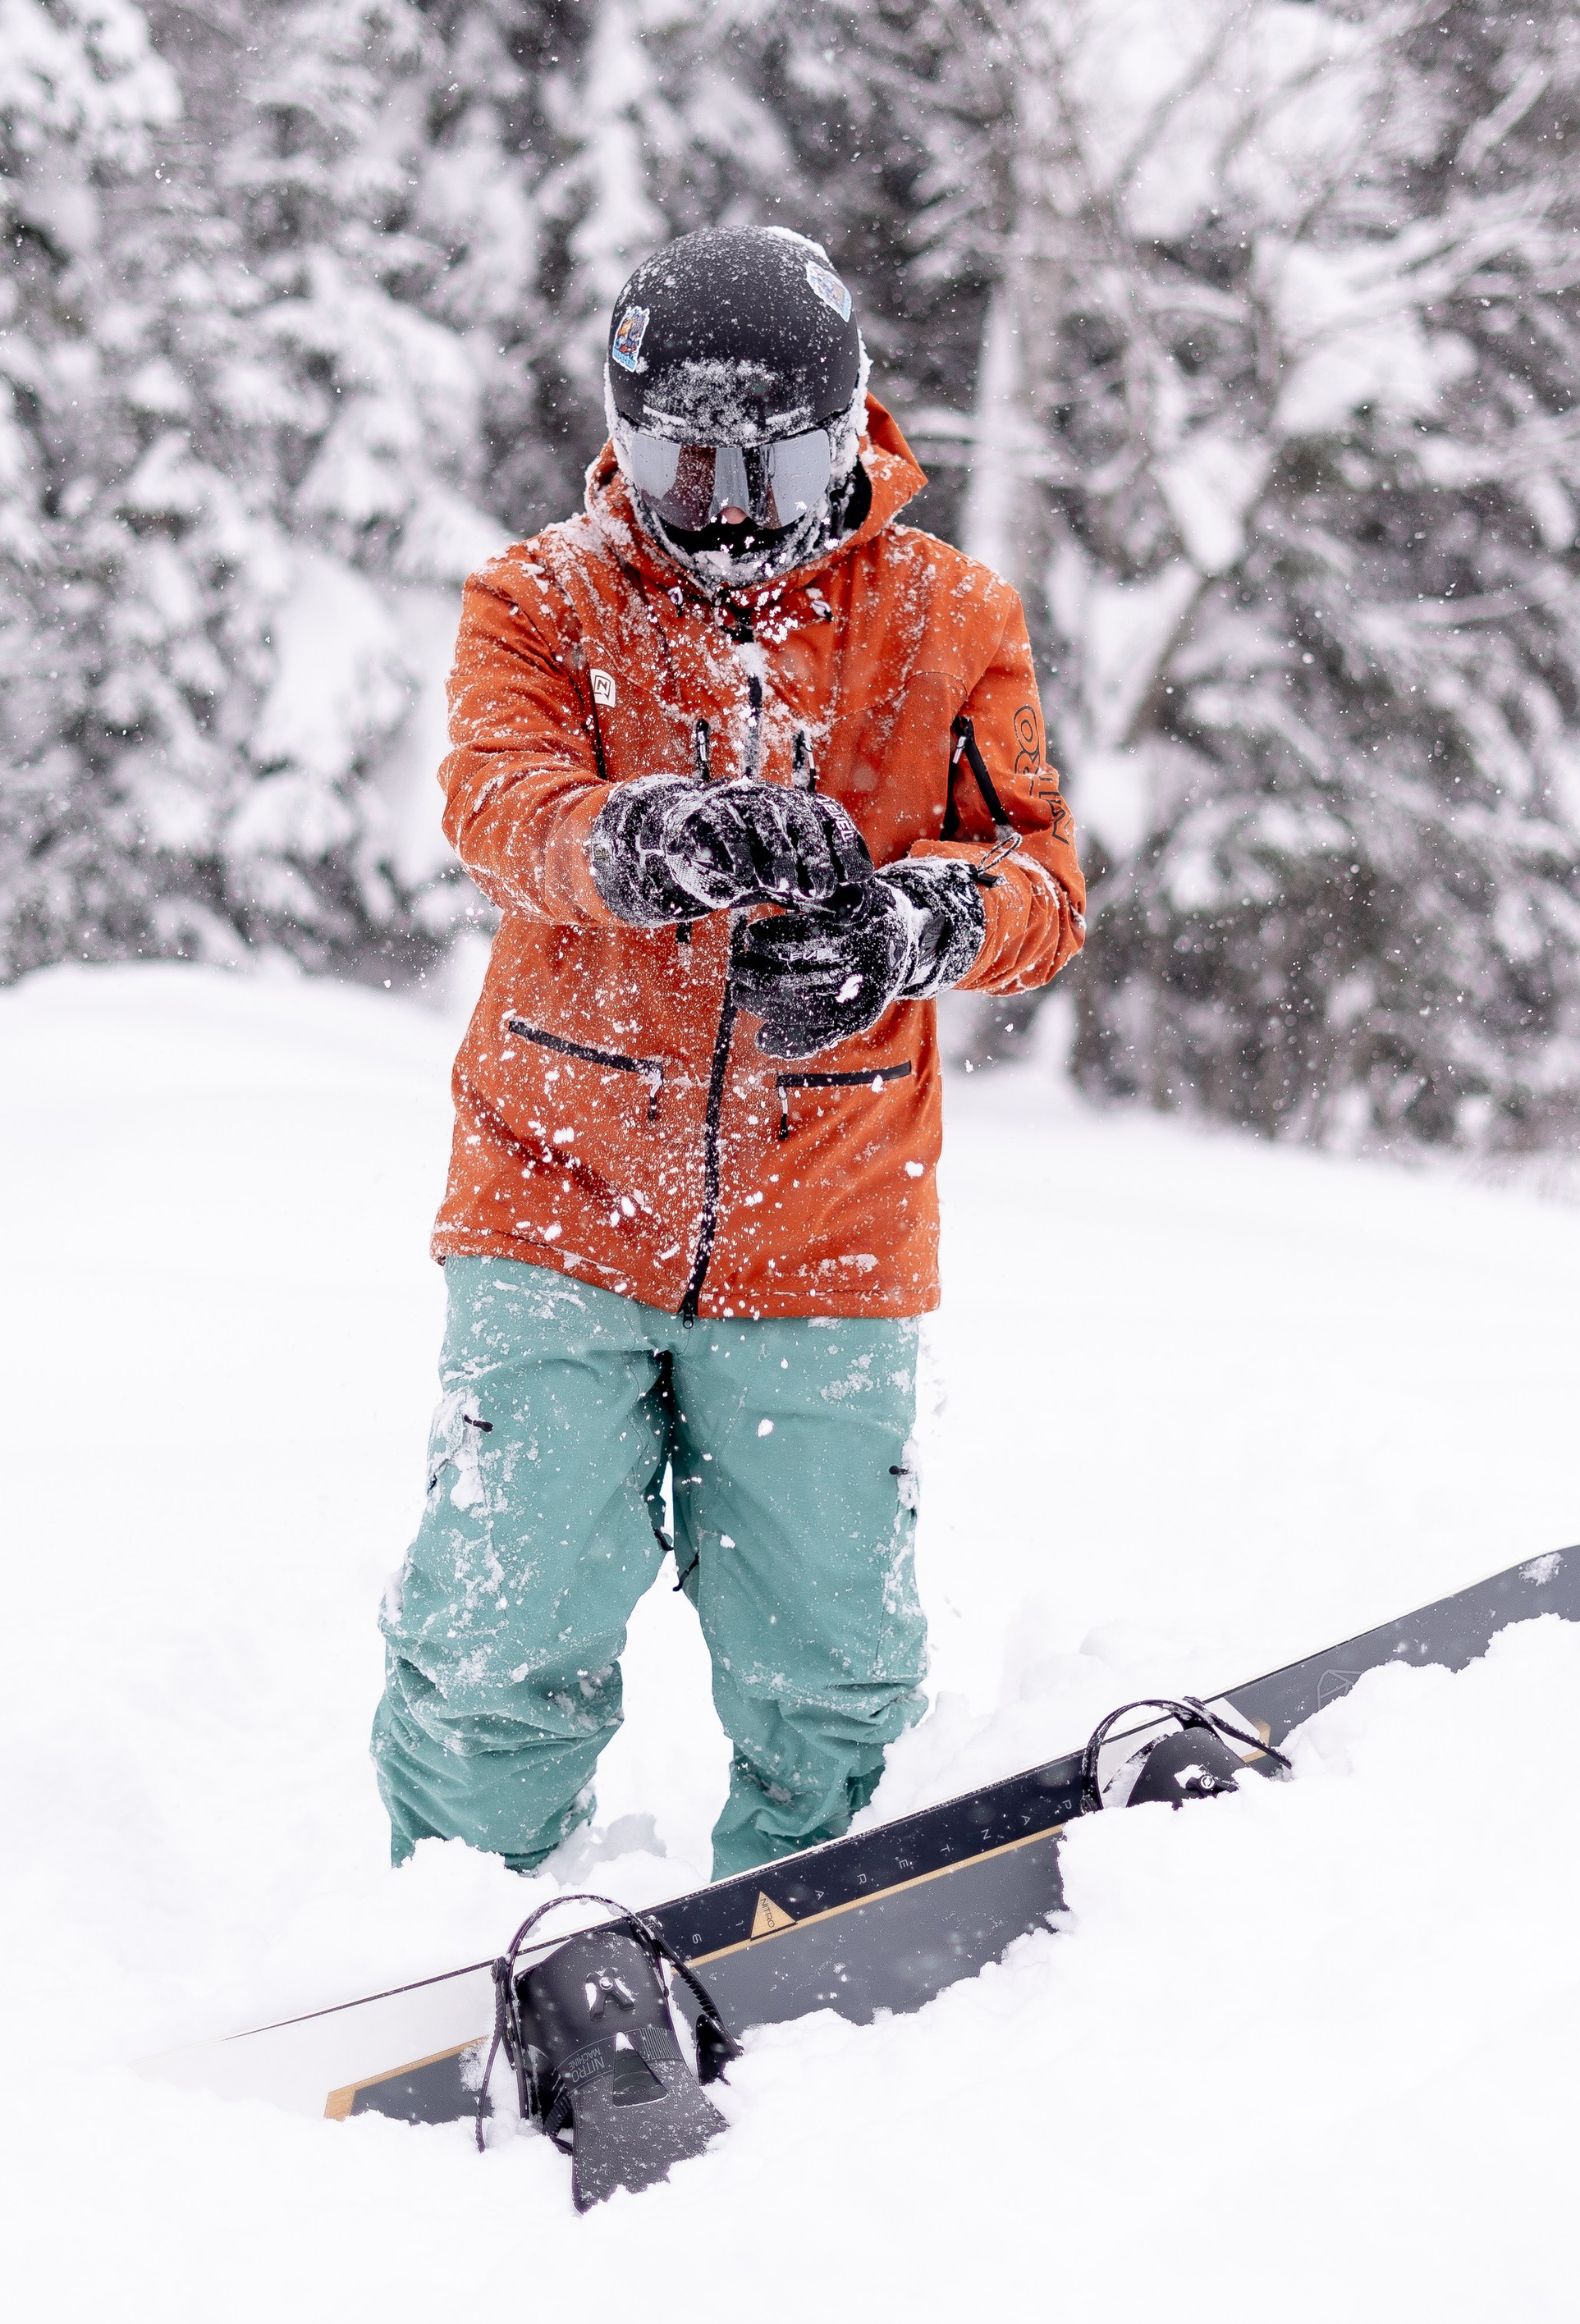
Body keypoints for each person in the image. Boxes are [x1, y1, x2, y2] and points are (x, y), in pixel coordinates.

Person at [372, 224, 1085, 1882]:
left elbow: (1040, 883)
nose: (734, 515)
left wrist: (919, 923)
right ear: (621, 442)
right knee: (504, 1625)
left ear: (854, 435)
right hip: (554, 1196)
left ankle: (806, 1912)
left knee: (831, 1658)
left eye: (776, 468)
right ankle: (472, 1921)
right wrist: (640, 840)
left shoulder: (951, 618)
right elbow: (497, 803)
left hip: (828, 1226)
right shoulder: (538, 599)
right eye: (683, 469)